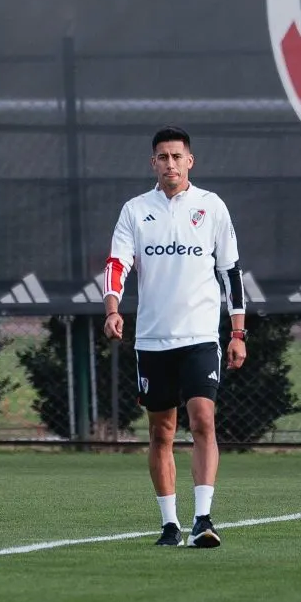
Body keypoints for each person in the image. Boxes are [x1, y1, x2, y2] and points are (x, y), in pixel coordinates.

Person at [102, 126, 247, 548]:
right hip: (152, 339)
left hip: (201, 335)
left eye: (176, 156)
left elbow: (231, 273)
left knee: (203, 419)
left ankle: (203, 518)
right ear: (153, 163)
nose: (170, 163)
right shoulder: (135, 210)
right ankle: (169, 524)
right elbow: (117, 263)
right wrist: (112, 309)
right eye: (162, 157)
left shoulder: (211, 206)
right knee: (162, 432)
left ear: (190, 161)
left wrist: (237, 331)